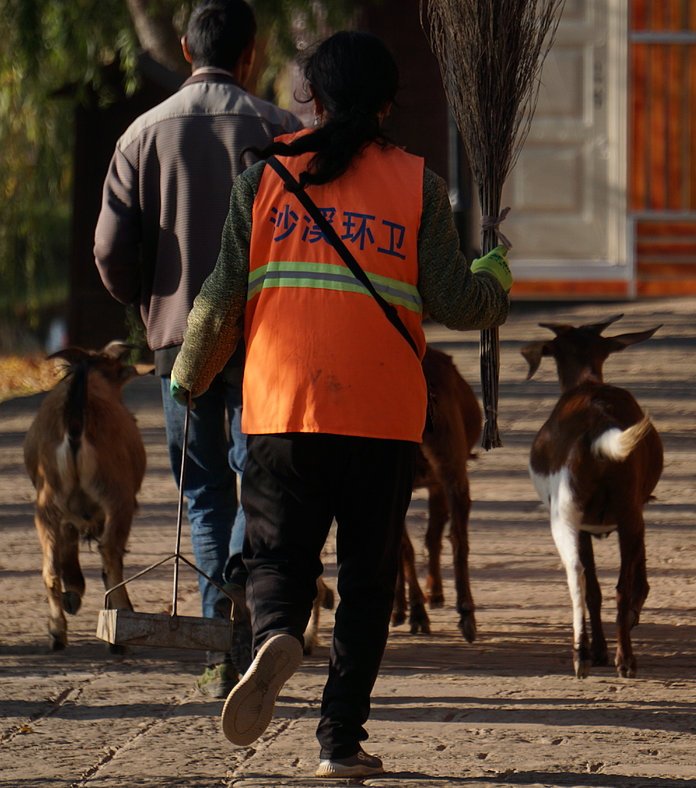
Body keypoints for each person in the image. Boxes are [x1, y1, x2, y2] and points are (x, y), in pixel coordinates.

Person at [171, 30, 512, 779]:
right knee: (366, 578)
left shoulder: (262, 181)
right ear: (389, 104)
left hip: (282, 408)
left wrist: (187, 378)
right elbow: (458, 302)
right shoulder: (417, 184)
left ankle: (279, 633)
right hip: (384, 416)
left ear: (312, 100)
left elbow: (221, 300)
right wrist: (497, 276)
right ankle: (339, 742)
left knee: (276, 556)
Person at [93, 0, 302, 699]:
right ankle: (246, 592)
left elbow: (108, 249)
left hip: (177, 340)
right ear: (253, 53)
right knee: (259, 479)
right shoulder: (283, 131)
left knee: (204, 489)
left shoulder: (139, 135)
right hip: (265, 338)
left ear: (185, 49)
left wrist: (148, 299)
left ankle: (219, 647)